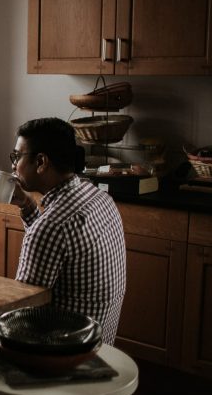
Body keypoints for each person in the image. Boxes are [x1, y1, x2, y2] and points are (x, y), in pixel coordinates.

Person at [9, 117, 126, 345]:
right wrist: (27, 204)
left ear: (41, 162)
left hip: (61, 353)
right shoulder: (100, 198)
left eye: (16, 157)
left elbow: (21, 312)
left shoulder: (52, 227)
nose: (13, 165)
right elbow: (56, 241)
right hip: (101, 345)